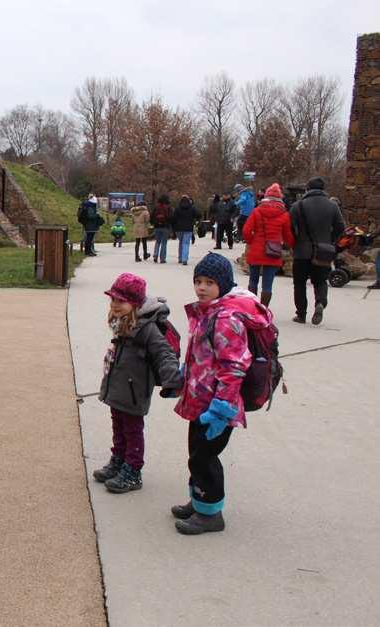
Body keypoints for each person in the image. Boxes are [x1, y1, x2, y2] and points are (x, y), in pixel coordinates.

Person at [171, 252, 273, 535]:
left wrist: (221, 408)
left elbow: (234, 366)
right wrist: (183, 378)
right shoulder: (208, 312)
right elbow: (202, 356)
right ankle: (199, 501)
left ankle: (211, 514)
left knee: (204, 458)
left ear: (223, 285)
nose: (201, 287)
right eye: (198, 281)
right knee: (195, 454)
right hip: (200, 399)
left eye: (209, 282)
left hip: (218, 406)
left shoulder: (226, 318)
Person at [93, 273, 182, 494]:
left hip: (134, 390)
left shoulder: (146, 327)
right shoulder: (123, 321)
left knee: (132, 430)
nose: (114, 304)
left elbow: (164, 352)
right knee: (118, 425)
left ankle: (133, 470)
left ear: (134, 303)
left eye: (120, 301)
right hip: (118, 387)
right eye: (112, 299)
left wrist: (173, 377)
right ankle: (119, 459)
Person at [289, 177, 345, 325]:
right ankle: (320, 303)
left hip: (301, 251)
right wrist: (329, 240)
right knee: (320, 281)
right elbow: (340, 227)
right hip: (323, 251)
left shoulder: (297, 206)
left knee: (299, 283)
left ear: (307, 189)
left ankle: (301, 314)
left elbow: (290, 227)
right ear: (323, 189)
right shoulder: (333, 206)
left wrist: (295, 242)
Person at [242, 183, 295, 307]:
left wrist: (251, 241)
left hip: (256, 250)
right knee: (267, 285)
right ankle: (263, 309)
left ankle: (252, 307)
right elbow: (288, 236)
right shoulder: (284, 215)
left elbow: (246, 231)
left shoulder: (257, 211)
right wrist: (292, 245)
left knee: (253, 281)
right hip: (273, 251)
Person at [172, 195, 197, 265]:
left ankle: (180, 258)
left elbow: (173, 218)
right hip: (188, 228)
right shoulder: (192, 208)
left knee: (181, 242)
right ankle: (184, 259)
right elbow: (198, 215)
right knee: (185, 243)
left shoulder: (177, 208)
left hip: (178, 229)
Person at [150, 195, 172, 263]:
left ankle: (155, 255)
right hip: (165, 227)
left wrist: (154, 223)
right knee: (164, 243)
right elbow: (171, 217)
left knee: (157, 241)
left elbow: (151, 217)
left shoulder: (156, 208)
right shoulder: (168, 208)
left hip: (157, 227)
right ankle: (162, 258)